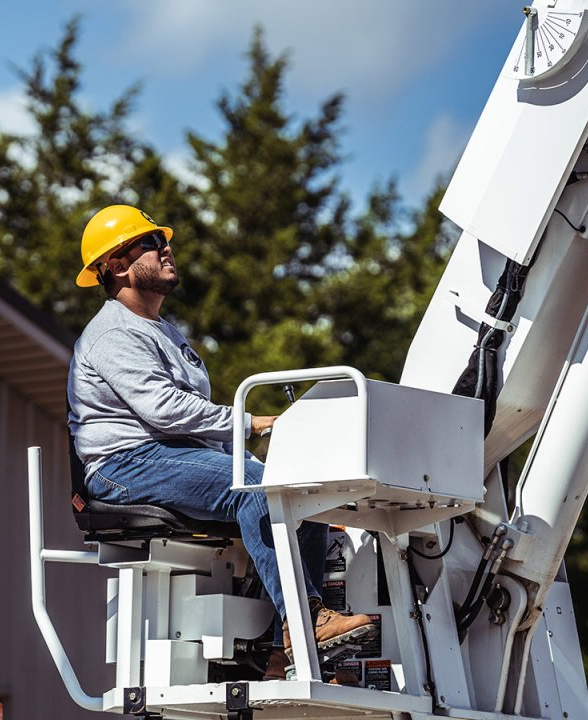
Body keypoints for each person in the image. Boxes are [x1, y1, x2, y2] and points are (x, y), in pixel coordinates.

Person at [66, 205, 376, 680]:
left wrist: (253, 449)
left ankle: (281, 652)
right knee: (253, 486)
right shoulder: (111, 333)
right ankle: (304, 620)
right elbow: (164, 409)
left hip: (168, 456)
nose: (166, 248)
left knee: (295, 485)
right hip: (123, 466)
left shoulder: (165, 332)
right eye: (148, 243)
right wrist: (252, 423)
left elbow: (186, 427)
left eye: (163, 240)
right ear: (114, 265)